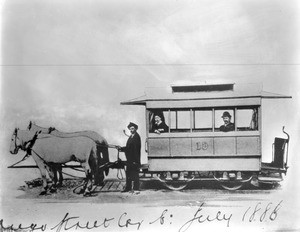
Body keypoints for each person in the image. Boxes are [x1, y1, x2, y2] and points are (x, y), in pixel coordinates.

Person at [118, 122, 141, 192]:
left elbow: (134, 149)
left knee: (135, 174)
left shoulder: (136, 137)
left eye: (132, 129)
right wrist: (121, 148)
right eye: (130, 129)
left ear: (135, 129)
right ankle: (128, 188)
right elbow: (129, 147)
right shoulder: (131, 136)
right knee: (128, 173)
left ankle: (136, 188)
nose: (131, 130)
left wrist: (122, 149)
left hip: (134, 159)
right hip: (130, 159)